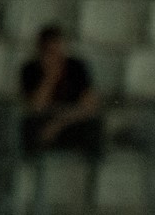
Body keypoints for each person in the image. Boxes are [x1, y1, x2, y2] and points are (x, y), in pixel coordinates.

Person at [19, 25, 102, 157]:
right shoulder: (30, 69)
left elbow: (89, 106)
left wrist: (57, 124)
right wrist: (50, 78)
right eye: (49, 52)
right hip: (43, 122)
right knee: (28, 128)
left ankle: (92, 169)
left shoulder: (76, 67)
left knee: (94, 126)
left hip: (71, 121)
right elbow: (36, 106)